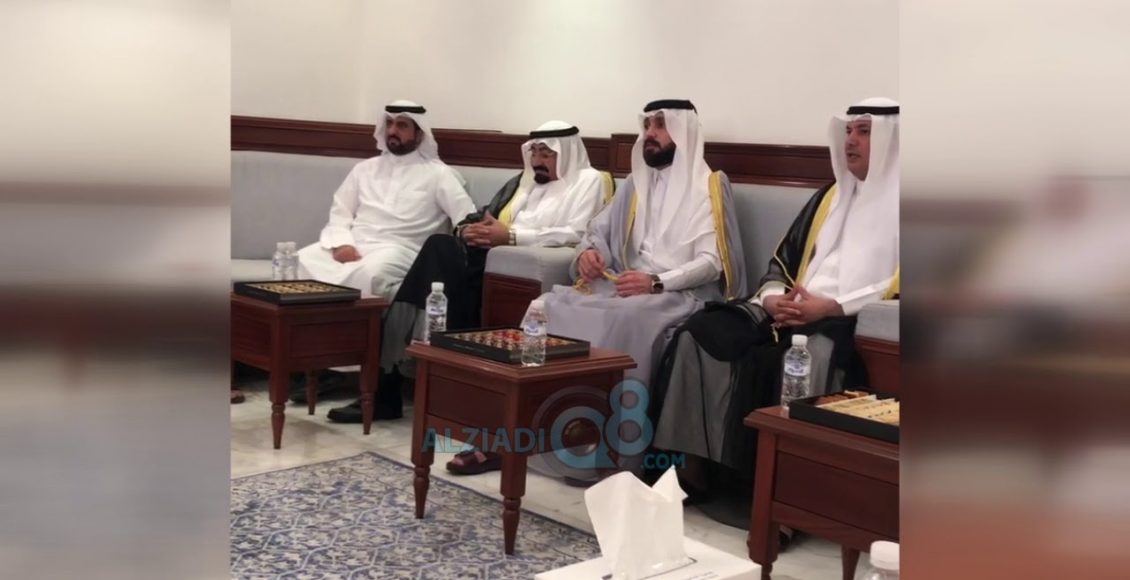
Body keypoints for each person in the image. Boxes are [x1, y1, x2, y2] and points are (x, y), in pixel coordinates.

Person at [649, 98, 900, 497]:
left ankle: (790, 492)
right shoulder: (830, 196)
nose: (850, 141)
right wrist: (771, 298)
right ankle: (692, 467)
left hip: (848, 319)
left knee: (809, 355)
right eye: (848, 131)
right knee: (699, 332)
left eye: (864, 132)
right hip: (789, 310)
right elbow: (781, 261)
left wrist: (831, 307)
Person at [328, 121, 611, 425]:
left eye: (547, 154)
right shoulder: (524, 181)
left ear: (567, 154)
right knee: (440, 250)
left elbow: (579, 233)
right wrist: (468, 230)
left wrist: (512, 236)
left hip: (515, 263)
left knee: (438, 266)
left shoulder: (589, 181)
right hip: (487, 257)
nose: (537, 161)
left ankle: (389, 387)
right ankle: (403, 381)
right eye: (534, 152)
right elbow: (481, 215)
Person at [295, 100, 476, 299]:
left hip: (400, 250)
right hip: (354, 244)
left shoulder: (440, 174)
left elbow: (466, 218)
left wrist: (469, 230)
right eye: (389, 123)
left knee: (372, 275)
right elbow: (340, 212)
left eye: (402, 125)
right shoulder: (364, 169)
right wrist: (342, 244)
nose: (392, 131)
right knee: (298, 261)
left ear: (419, 133)